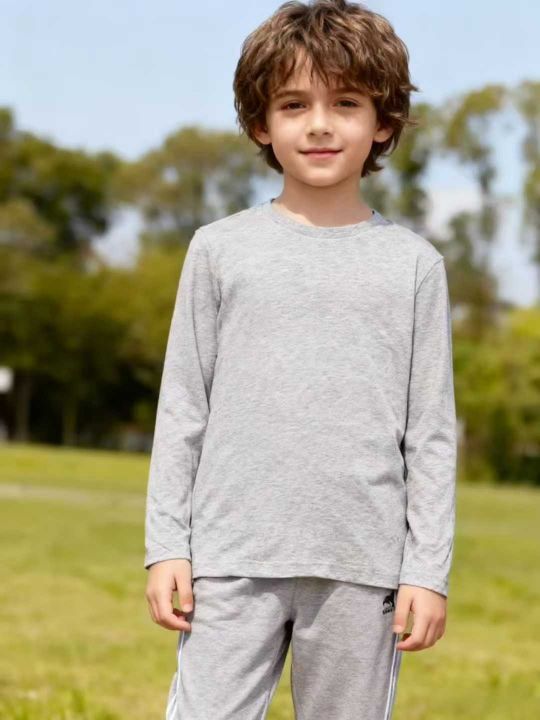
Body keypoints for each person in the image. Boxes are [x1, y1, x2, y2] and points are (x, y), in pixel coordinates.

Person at [144, 1, 458, 718]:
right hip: (228, 557)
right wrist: (167, 546)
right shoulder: (218, 250)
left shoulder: (415, 266)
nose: (319, 124)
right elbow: (183, 406)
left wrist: (426, 571)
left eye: (345, 103)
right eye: (293, 104)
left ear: (383, 122)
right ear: (261, 123)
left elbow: (432, 434)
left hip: (363, 566)